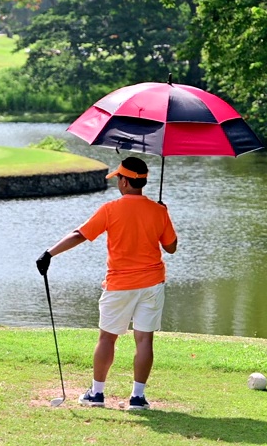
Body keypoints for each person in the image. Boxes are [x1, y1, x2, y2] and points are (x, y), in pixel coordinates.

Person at [36, 156, 177, 411]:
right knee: (144, 340)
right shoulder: (158, 211)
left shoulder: (111, 209)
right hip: (152, 284)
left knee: (107, 338)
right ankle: (137, 397)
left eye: (118, 179)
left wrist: (49, 253)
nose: (117, 183)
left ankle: (97, 394)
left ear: (124, 181)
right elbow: (171, 247)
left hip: (120, 284)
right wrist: (162, 212)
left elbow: (81, 234)